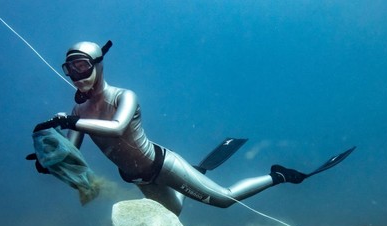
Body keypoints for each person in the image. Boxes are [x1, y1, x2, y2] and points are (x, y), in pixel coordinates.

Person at [29, 40, 352, 215]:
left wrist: (70, 121)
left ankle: (278, 174)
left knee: (224, 201)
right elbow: (72, 151)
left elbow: (115, 128)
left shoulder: (123, 96)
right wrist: (49, 162)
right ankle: (197, 173)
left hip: (162, 164)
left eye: (82, 65)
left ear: (98, 65)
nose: (76, 74)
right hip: (138, 176)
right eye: (70, 69)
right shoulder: (78, 109)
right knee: (174, 213)